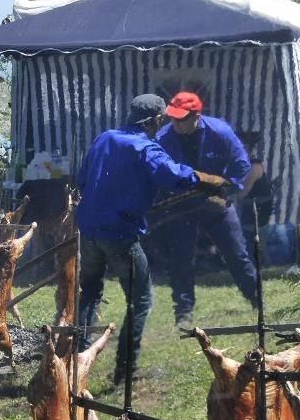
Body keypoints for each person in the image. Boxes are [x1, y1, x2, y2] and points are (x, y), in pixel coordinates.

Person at [75, 94, 228, 384]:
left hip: (89, 232)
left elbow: (83, 179)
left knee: (91, 292)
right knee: (140, 300)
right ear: (156, 119)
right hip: (120, 236)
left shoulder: (104, 138)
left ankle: (80, 355)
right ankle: (124, 370)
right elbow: (174, 177)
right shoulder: (146, 148)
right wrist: (208, 180)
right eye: (162, 118)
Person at [153, 92, 258, 327]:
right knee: (180, 258)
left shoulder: (219, 131)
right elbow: (156, 170)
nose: (176, 123)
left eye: (181, 119)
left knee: (236, 253)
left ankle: (257, 300)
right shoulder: (163, 137)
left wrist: (226, 189)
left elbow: (241, 163)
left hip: (216, 201)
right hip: (181, 204)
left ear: (196, 115)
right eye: (173, 118)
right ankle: (184, 311)